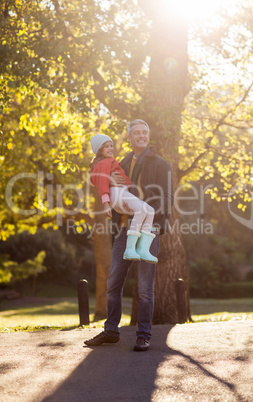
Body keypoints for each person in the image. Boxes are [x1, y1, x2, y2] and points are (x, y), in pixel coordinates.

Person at [84, 119, 173, 351]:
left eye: (145, 132)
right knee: (113, 284)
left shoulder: (161, 164)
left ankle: (143, 334)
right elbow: (106, 181)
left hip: (147, 228)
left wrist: (157, 227)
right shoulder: (119, 161)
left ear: (148, 136)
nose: (141, 135)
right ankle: (111, 331)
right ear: (130, 137)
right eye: (136, 133)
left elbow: (167, 198)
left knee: (145, 288)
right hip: (124, 228)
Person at [90, 133, 157, 263]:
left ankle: (143, 249)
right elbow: (101, 183)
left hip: (122, 193)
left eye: (111, 145)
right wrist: (106, 204)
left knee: (150, 211)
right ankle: (130, 249)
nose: (110, 149)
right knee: (142, 210)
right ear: (99, 150)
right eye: (106, 147)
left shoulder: (110, 161)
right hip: (117, 193)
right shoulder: (104, 162)